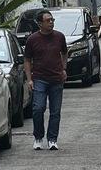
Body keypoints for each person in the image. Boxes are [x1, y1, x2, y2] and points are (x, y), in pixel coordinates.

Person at [23, 10, 68, 151]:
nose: (51, 22)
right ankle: (38, 137)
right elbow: (27, 60)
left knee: (55, 111)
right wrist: (29, 79)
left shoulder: (59, 37)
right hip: (39, 79)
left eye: (52, 20)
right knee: (38, 109)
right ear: (39, 23)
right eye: (48, 20)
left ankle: (52, 139)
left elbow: (65, 52)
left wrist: (64, 69)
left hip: (56, 78)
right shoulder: (32, 40)